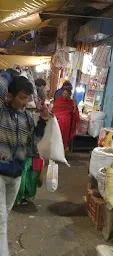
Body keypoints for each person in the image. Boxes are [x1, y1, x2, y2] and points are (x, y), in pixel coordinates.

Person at [0, 72, 49, 256]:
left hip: (16, 175)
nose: (25, 102)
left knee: (4, 215)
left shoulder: (26, 116)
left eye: (27, 98)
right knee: (1, 220)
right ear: (10, 95)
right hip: (0, 173)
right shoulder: (1, 111)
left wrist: (43, 121)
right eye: (21, 97)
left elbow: (33, 140)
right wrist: (10, 74)